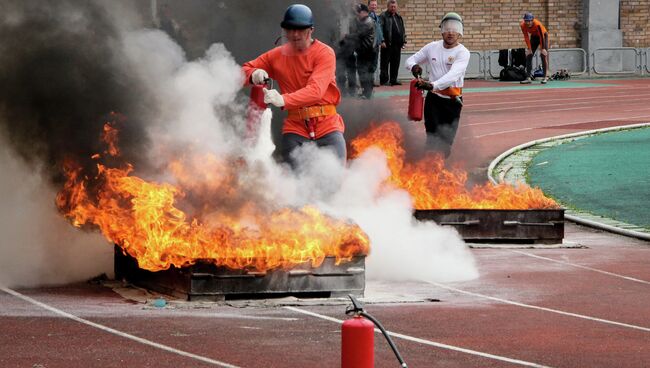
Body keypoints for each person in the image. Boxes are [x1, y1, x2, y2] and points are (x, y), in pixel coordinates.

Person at [242, 4, 346, 168]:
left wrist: (282, 99)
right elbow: (242, 71)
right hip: (295, 129)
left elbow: (316, 91)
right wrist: (253, 74)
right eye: (290, 29)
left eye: (300, 29)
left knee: (336, 178)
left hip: (327, 126)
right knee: (293, 184)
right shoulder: (277, 55)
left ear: (311, 30)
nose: (295, 34)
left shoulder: (325, 53)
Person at [405, 12, 469, 158]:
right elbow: (409, 60)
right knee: (432, 137)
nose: (450, 32)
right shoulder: (432, 47)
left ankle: (441, 167)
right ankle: (430, 171)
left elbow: (453, 75)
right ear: (441, 30)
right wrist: (414, 66)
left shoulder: (463, 52)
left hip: (453, 102)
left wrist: (432, 85)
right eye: (447, 28)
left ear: (460, 32)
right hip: (433, 100)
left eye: (454, 29)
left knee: (446, 142)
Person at [379, 0, 406, 86]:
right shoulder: (383, 16)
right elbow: (379, 29)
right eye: (391, 7)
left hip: (397, 45)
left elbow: (402, 30)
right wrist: (382, 41)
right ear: (388, 7)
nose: (393, 8)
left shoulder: (398, 17)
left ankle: (393, 79)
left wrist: (404, 41)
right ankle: (384, 80)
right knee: (385, 63)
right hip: (387, 44)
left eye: (394, 7)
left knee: (396, 62)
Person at [351, 4, 376, 99]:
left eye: (358, 12)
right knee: (364, 72)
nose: (357, 14)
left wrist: (346, 37)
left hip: (367, 51)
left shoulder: (367, 22)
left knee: (364, 72)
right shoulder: (365, 21)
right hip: (366, 51)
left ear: (364, 12)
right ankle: (367, 92)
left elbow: (358, 35)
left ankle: (367, 93)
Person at [520, 12, 550, 84]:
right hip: (534, 37)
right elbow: (526, 37)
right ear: (524, 20)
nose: (528, 23)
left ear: (532, 20)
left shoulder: (537, 24)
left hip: (543, 36)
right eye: (526, 21)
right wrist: (529, 49)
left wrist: (543, 48)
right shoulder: (522, 25)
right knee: (529, 55)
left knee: (543, 55)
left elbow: (541, 36)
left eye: (530, 21)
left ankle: (545, 77)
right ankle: (528, 77)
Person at [367, 0, 384, 86]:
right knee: (370, 63)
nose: (374, 6)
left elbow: (378, 30)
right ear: (368, 6)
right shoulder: (367, 17)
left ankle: (371, 80)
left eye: (375, 5)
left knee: (374, 63)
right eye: (372, 5)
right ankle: (368, 81)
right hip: (370, 45)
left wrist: (381, 40)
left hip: (376, 44)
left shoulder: (376, 17)